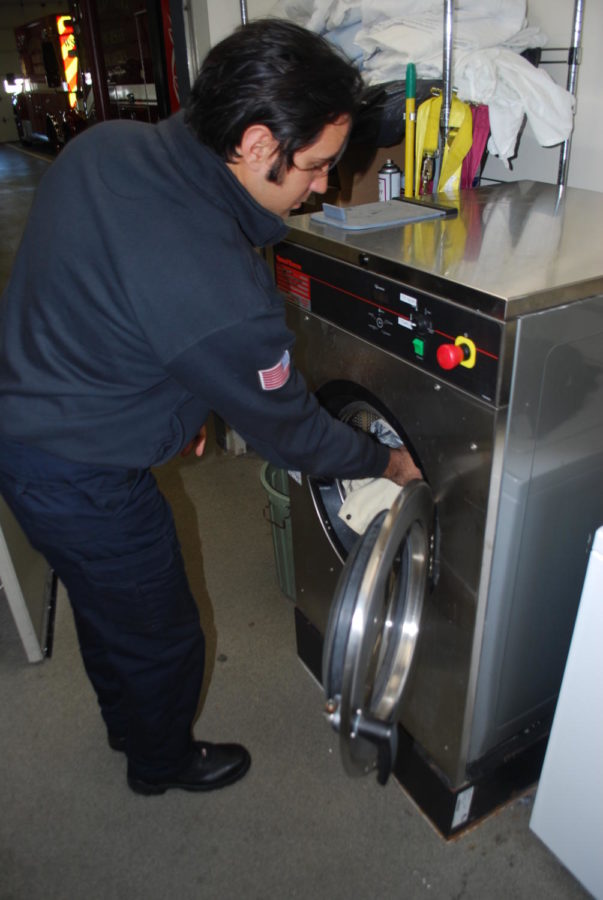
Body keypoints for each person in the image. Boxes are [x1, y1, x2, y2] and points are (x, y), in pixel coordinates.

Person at [0, 18, 421, 796]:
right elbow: (292, 432)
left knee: (105, 607)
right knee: (162, 634)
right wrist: (384, 461)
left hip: (26, 426)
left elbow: (105, 297)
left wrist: (185, 402)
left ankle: (127, 724)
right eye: (320, 166)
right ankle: (159, 763)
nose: (325, 185)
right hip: (83, 474)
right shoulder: (221, 286)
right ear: (259, 145)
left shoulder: (107, 146)